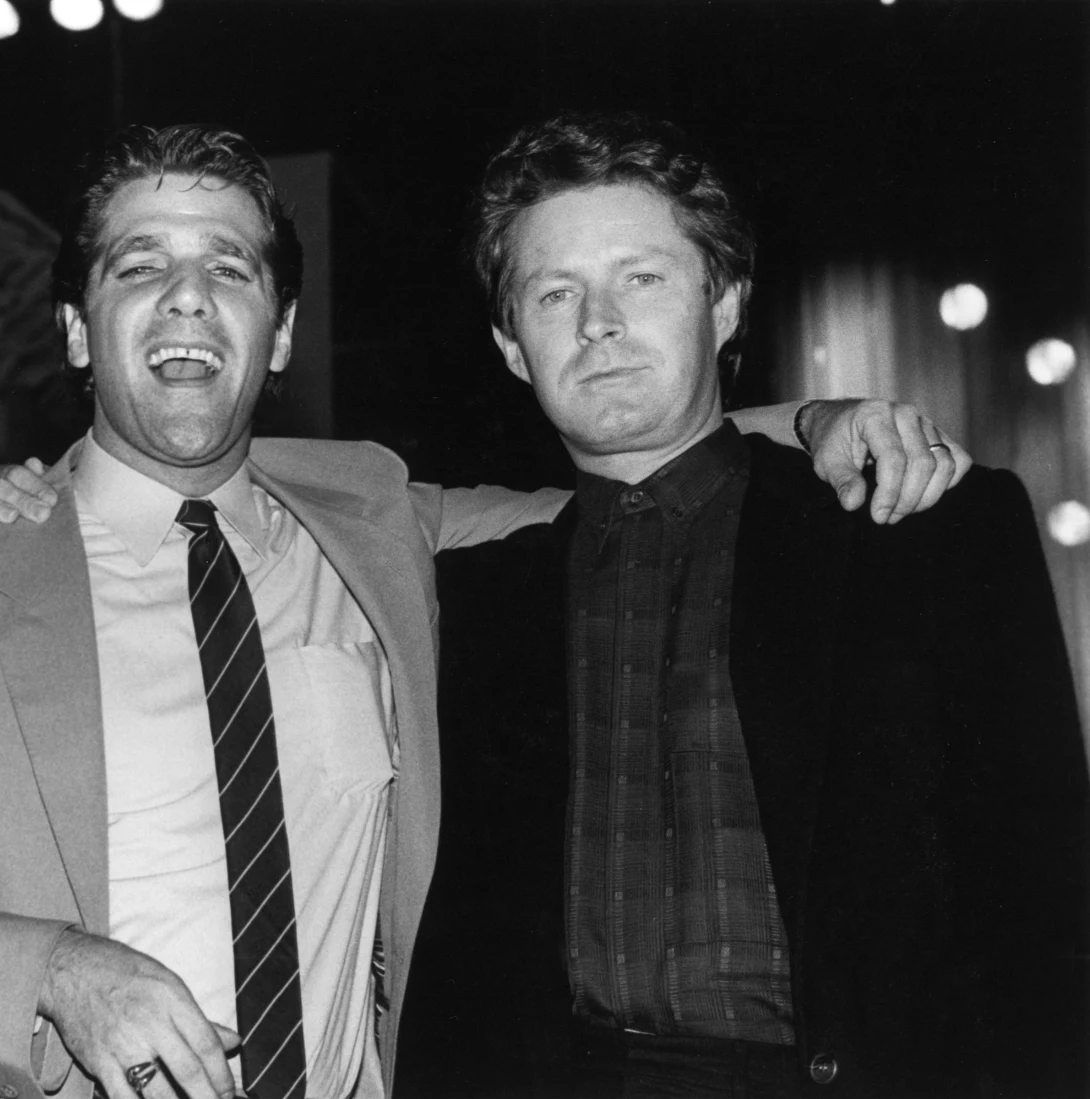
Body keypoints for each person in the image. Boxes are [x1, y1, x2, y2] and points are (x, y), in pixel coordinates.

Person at [0, 120, 967, 1099]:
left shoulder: (375, 518)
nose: (186, 299)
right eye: (140, 267)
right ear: (76, 328)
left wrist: (813, 422)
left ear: (278, 335)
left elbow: (636, 470)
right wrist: (53, 974)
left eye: (229, 269)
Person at [413, 110, 1086, 1098]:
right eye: (554, 293)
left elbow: (1046, 909)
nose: (598, 323)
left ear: (725, 304)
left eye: (641, 278)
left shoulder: (923, 527)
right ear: (512, 347)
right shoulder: (467, 596)